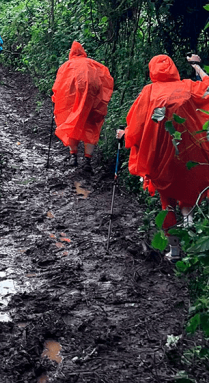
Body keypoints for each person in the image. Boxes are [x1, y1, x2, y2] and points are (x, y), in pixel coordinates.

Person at [116, 54, 209, 260]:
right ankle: (192, 237)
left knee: (167, 202)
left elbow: (137, 125)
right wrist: (196, 67)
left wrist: (125, 136)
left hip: (159, 157)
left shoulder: (149, 92)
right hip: (188, 151)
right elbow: (208, 88)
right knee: (186, 193)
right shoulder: (187, 87)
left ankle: (175, 251)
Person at [52, 42, 114, 171]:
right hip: (92, 101)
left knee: (71, 123)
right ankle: (87, 160)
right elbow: (106, 80)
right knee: (90, 126)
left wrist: (55, 100)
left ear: (71, 53)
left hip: (71, 102)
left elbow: (59, 87)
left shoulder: (66, 66)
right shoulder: (94, 65)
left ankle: (73, 156)